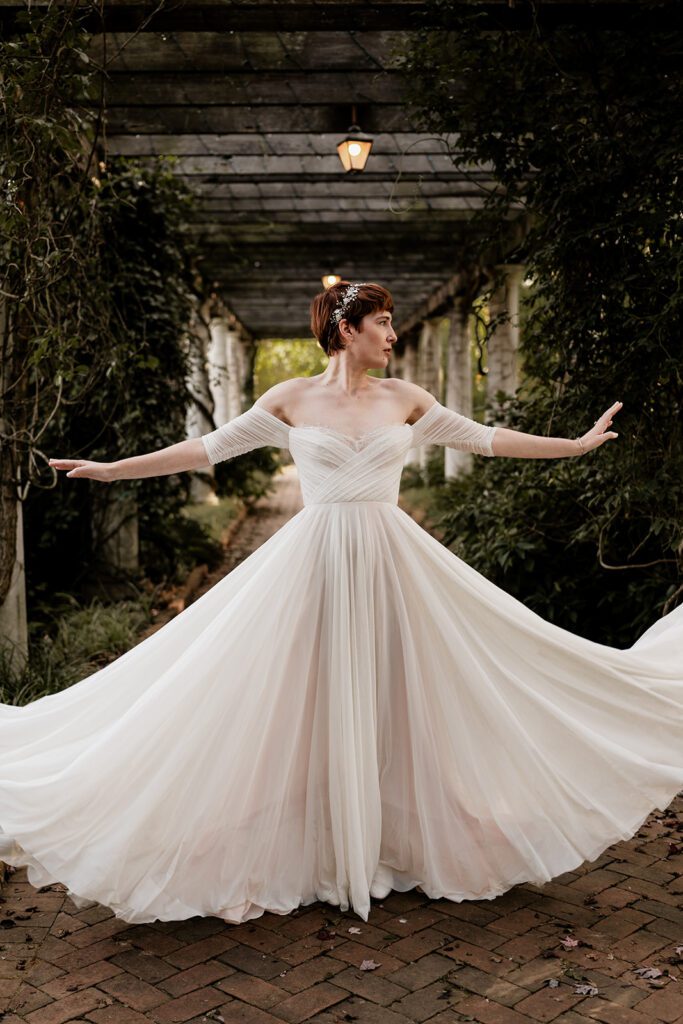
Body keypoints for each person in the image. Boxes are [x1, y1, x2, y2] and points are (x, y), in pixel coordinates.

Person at [1, 281, 681, 927]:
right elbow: (205, 450)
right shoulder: (290, 399)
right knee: (303, 690)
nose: (391, 333)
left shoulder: (405, 397)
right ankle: (316, 839)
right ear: (346, 330)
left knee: (400, 690)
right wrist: (114, 469)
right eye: (382, 323)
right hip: (312, 563)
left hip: (393, 563)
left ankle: (396, 836)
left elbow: (486, 439)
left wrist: (574, 446)